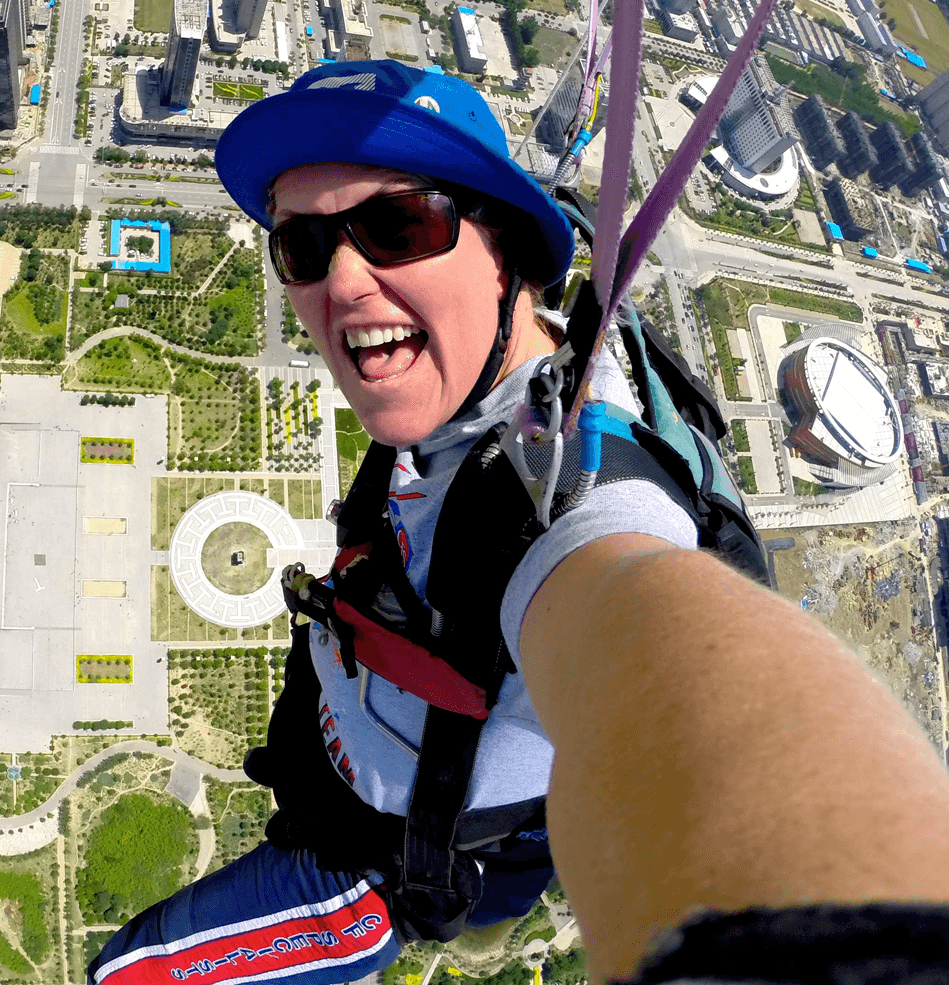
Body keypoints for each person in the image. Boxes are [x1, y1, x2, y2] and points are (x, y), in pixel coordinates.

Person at [86, 61, 949, 985]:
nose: (340, 280)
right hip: (353, 778)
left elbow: (653, 636)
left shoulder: (577, 505)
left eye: (396, 225)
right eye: (302, 245)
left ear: (509, 254)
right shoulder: (485, 388)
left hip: (374, 868)